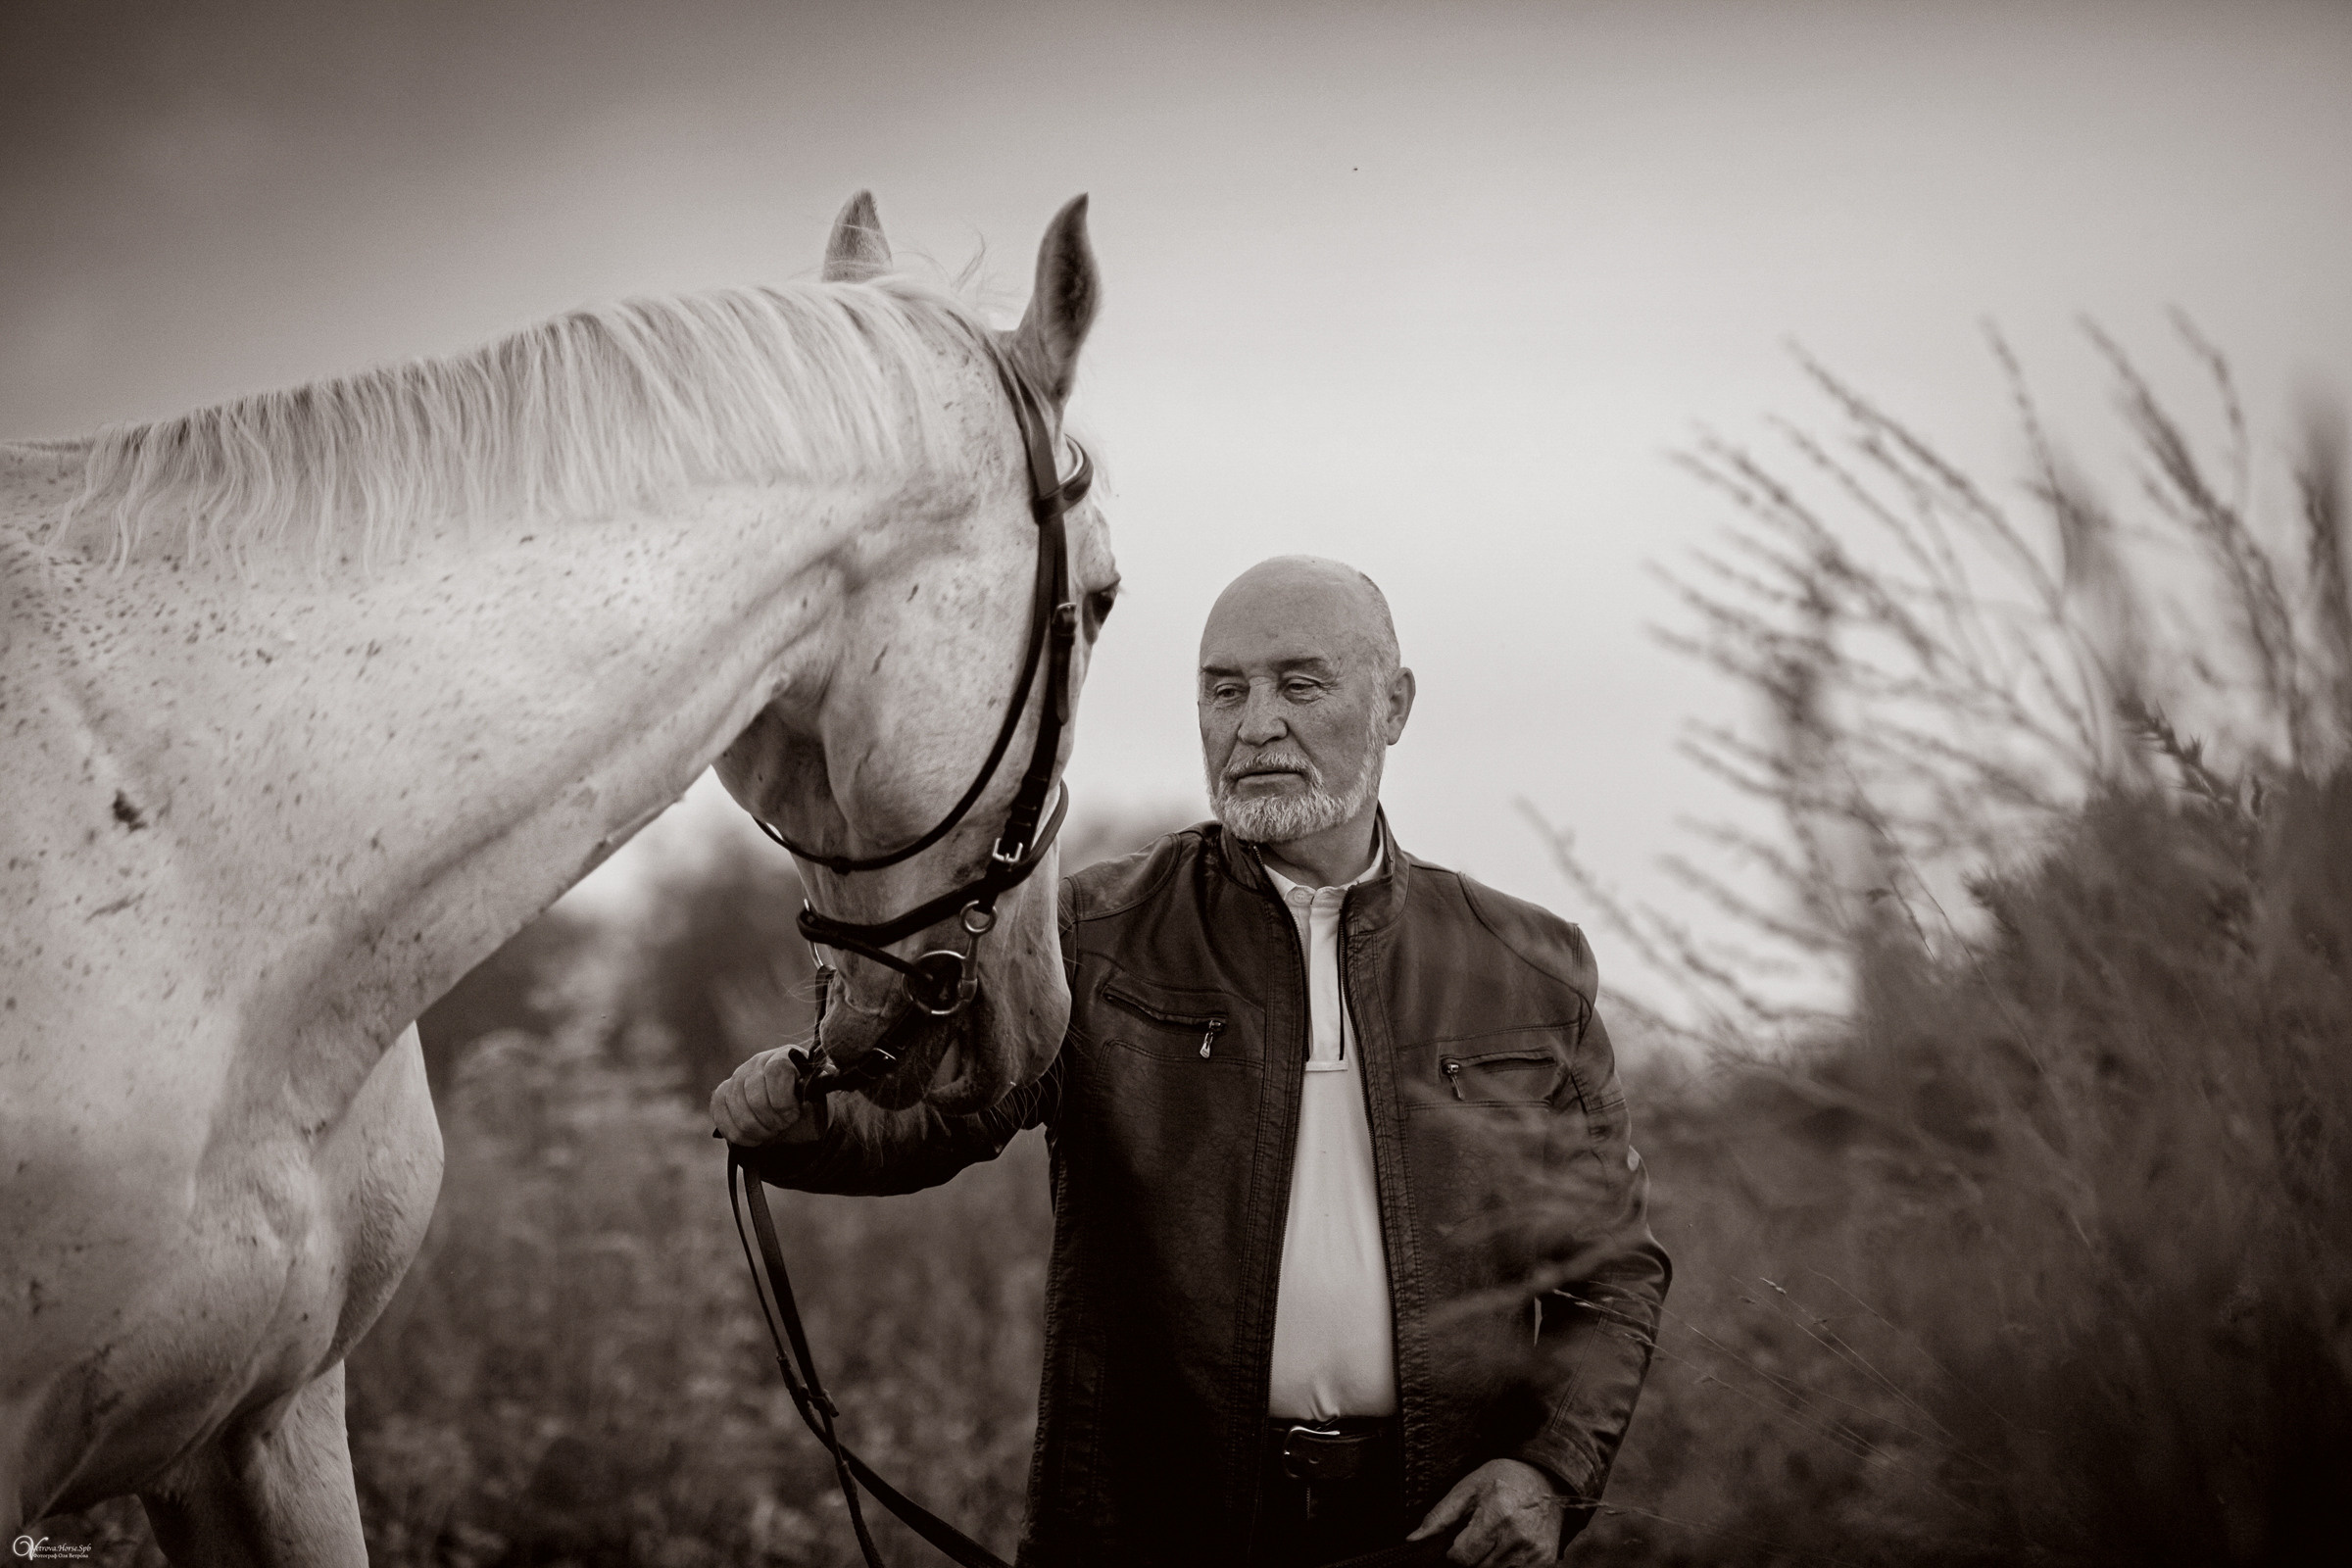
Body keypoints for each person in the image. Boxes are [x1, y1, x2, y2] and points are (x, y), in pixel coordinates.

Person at [713, 556, 1669, 1567]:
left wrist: (1550, 1470)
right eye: (1225, 689)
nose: (1255, 723)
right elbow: (942, 1115)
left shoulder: (1526, 964)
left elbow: (1609, 1266)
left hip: (1437, 1530)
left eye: (1299, 684)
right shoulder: (1094, 934)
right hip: (1152, 1525)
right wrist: (806, 1123)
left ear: (1394, 704)